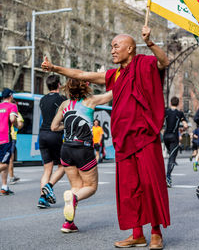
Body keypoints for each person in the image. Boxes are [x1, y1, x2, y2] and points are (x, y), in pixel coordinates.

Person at [42, 25, 170, 249]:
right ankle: (137, 233)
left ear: (130, 48)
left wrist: (150, 43)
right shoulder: (115, 75)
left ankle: (156, 232)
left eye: (116, 46)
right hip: (123, 140)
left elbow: (164, 62)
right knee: (129, 188)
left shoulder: (144, 64)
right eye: (111, 47)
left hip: (145, 137)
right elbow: (82, 75)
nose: (112, 50)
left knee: (150, 184)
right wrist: (55, 68)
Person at [51, 79, 112, 233]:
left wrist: (69, 124)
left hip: (66, 149)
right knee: (91, 187)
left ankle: (68, 223)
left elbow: (53, 127)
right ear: (85, 86)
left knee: (76, 188)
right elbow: (112, 94)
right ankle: (74, 200)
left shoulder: (64, 105)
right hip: (83, 150)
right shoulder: (91, 100)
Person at [37, 74, 65, 208]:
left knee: (47, 170)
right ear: (59, 85)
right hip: (55, 134)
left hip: (42, 134)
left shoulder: (42, 99)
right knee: (63, 166)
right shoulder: (61, 99)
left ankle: (42, 198)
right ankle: (49, 187)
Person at [164, 97, 188, 188]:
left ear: (170, 103)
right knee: (171, 158)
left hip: (166, 137)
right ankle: (168, 178)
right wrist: (181, 130)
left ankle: (172, 161)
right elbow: (185, 125)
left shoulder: (165, 112)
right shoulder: (180, 113)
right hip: (174, 137)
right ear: (177, 104)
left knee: (171, 154)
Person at [0, 88, 18, 195]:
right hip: (5, 139)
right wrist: (16, 124)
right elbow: (12, 119)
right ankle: (4, 186)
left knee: (3, 162)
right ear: (10, 96)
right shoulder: (12, 106)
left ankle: (4, 186)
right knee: (5, 164)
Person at [9, 101, 24, 184]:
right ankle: (11, 177)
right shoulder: (15, 112)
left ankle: (10, 177)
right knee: (10, 158)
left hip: (3, 136)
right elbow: (20, 124)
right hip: (11, 137)